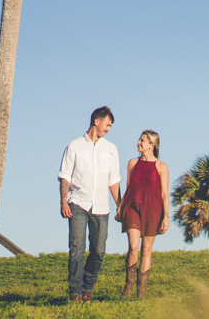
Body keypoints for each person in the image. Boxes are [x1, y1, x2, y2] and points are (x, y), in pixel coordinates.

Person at [58, 106, 122, 302]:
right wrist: (63, 201)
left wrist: (120, 204)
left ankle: (88, 286)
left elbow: (114, 181)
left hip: (101, 207)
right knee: (76, 249)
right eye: (107, 124)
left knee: (99, 251)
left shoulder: (111, 149)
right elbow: (65, 176)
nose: (108, 129)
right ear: (97, 121)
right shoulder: (74, 146)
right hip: (78, 203)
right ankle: (76, 292)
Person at [116, 129, 170, 298]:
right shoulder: (132, 163)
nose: (138, 143)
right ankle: (128, 286)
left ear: (152, 145)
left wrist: (166, 217)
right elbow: (128, 188)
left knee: (146, 250)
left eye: (142, 141)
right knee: (133, 247)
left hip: (153, 210)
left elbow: (164, 194)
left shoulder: (161, 167)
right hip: (133, 207)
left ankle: (141, 292)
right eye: (139, 140)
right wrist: (120, 207)